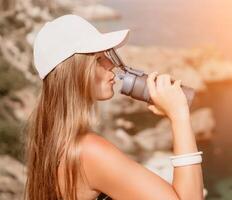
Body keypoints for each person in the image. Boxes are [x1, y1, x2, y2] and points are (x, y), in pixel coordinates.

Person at [24, 14, 204, 200]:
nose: (110, 64)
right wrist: (179, 116)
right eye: (98, 59)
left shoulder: (49, 140)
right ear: (75, 72)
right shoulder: (89, 151)